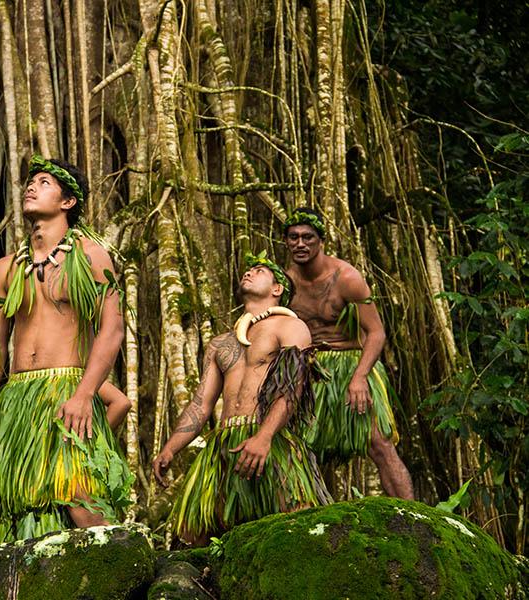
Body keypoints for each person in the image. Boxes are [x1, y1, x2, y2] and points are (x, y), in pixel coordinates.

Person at [0, 156, 131, 546]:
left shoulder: (90, 257)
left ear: (68, 202)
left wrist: (85, 394)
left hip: (65, 390)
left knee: (84, 500)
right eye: (30, 181)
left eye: (45, 182)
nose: (31, 187)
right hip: (16, 397)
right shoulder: (6, 267)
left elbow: (112, 329)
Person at [152, 255, 331, 545]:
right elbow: (201, 402)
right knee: (191, 538)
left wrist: (264, 436)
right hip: (223, 445)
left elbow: (292, 387)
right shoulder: (220, 344)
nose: (248, 272)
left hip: (270, 440)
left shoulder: (290, 328)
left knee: (298, 527)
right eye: (248, 269)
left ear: (277, 289)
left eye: (259, 271)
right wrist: (171, 449)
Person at [283, 208, 414, 499]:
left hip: (351, 364)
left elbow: (376, 332)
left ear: (321, 241)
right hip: (310, 368)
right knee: (301, 447)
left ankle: (413, 518)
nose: (300, 244)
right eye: (293, 237)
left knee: (379, 443)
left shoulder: (346, 277)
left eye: (308, 237)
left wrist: (360, 377)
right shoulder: (284, 283)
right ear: (287, 241)